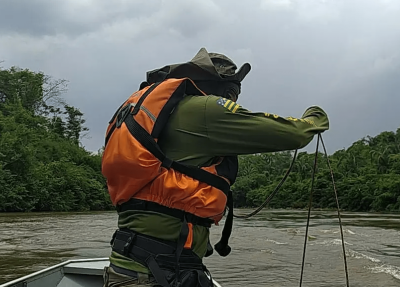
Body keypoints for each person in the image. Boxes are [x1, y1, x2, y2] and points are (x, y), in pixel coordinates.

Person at [101, 48, 329, 287]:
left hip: (133, 266)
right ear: (218, 86)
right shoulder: (204, 109)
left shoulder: (155, 111)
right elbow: (294, 134)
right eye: (232, 92)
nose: (233, 101)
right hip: (156, 274)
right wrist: (315, 116)